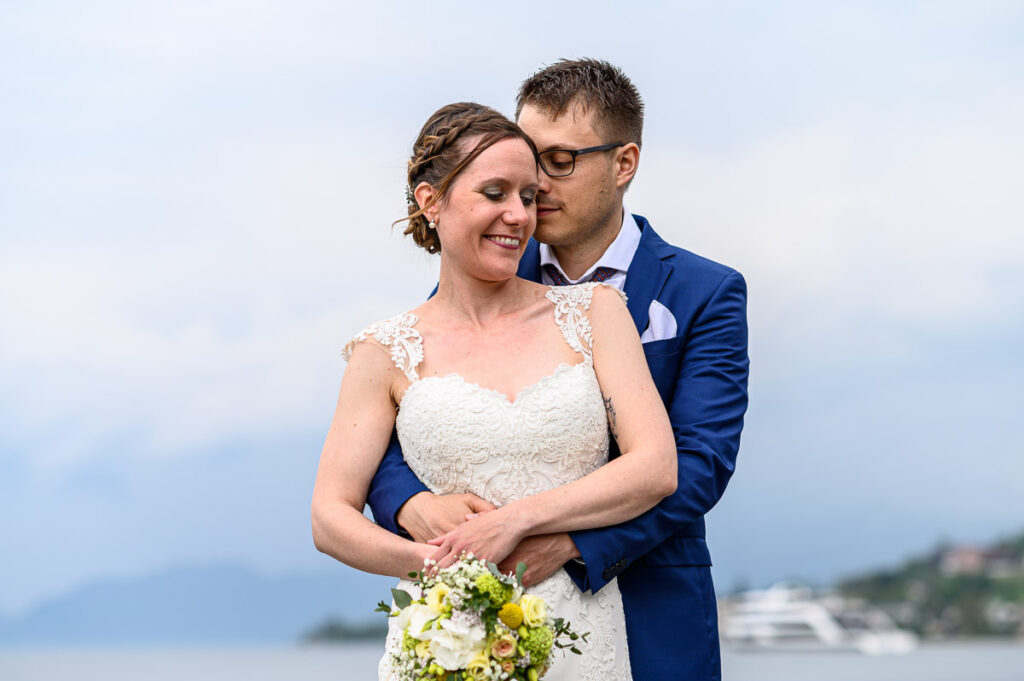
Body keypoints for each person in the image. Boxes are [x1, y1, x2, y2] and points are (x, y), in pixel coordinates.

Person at [367, 60, 750, 680]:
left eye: (559, 160)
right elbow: (405, 408)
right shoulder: (488, 270)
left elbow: (700, 463)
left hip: (651, 602)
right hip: (489, 618)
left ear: (623, 164)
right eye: (526, 158)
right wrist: (408, 502)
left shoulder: (705, 292)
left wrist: (573, 543)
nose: (535, 185)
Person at [311, 102, 678, 680]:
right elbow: (330, 517)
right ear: (431, 202)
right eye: (495, 193)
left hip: (582, 639)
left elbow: (656, 466)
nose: (519, 215)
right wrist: (434, 566)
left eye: (528, 196)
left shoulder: (595, 312)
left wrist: (515, 521)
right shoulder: (382, 351)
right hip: (448, 637)